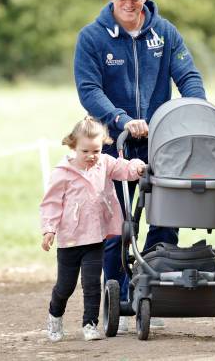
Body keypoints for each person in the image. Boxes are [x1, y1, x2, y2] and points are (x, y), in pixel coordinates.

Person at [73, 0, 206, 330]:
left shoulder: (165, 34)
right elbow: (89, 89)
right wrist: (119, 119)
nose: (129, 3)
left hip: (162, 144)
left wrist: (197, 110)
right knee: (118, 224)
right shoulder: (92, 38)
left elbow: (188, 76)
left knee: (165, 218)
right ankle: (117, 297)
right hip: (114, 144)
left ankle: (152, 291)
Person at [40, 116, 145, 342]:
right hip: (69, 240)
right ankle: (55, 316)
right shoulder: (63, 172)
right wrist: (49, 229)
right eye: (85, 151)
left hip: (95, 237)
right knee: (65, 287)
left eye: (95, 150)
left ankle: (90, 324)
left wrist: (137, 166)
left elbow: (123, 168)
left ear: (103, 145)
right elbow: (51, 202)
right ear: (73, 146)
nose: (91, 156)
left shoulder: (104, 163)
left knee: (92, 284)